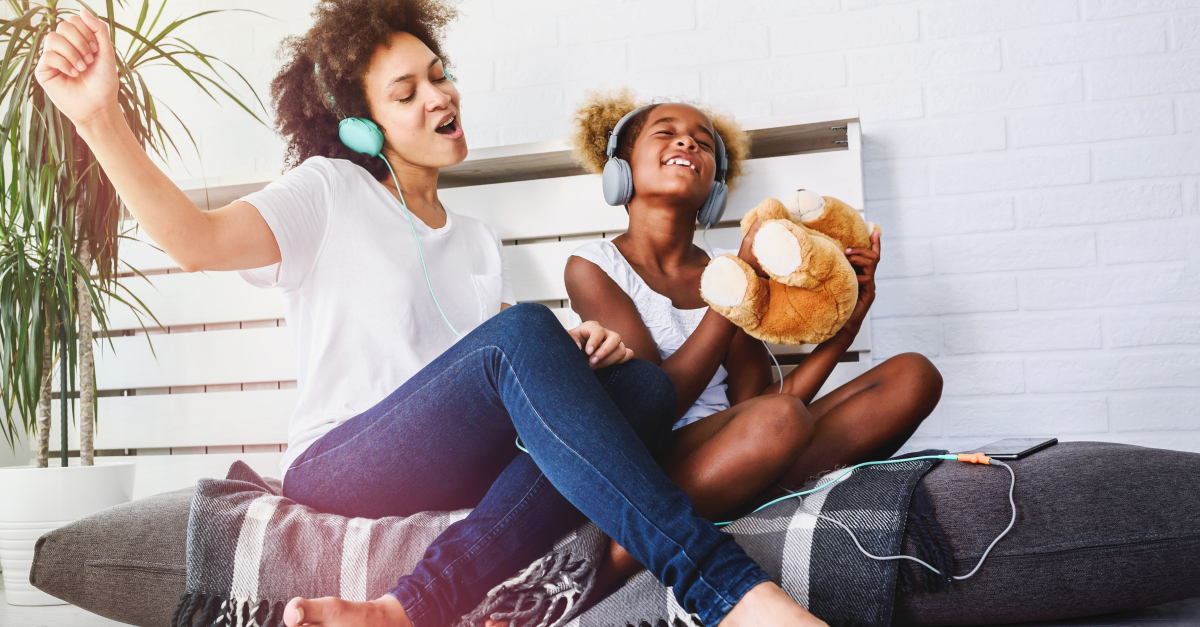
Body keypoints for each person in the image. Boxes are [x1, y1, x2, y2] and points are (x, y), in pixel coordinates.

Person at [35, 2, 829, 626]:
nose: (440, 96)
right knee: (524, 336)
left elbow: (485, 363)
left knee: (646, 390)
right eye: (406, 92)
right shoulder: (327, 191)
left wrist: (574, 347)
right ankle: (726, 589)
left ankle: (412, 606)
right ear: (360, 124)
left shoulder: (478, 240)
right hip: (343, 462)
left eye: (438, 75)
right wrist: (99, 117)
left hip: (448, 460)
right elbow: (195, 241)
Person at [563, 91, 944, 594]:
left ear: (715, 189)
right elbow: (654, 400)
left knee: (913, 375)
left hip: (750, 445)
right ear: (622, 169)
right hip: (656, 460)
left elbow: (759, 404)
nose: (688, 142)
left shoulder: (727, 263)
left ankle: (734, 495)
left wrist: (847, 325)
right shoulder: (593, 266)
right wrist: (736, 284)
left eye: (703, 143)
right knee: (779, 423)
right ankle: (623, 553)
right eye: (667, 133)